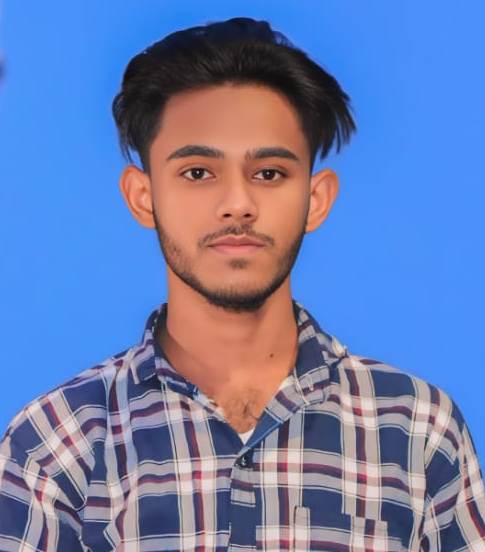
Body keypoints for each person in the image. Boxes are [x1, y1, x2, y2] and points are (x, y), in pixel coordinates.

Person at [1, 16, 484, 551]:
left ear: (316, 199)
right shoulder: (57, 444)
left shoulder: (417, 432)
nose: (237, 204)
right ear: (143, 196)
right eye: (198, 173)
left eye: (269, 173)